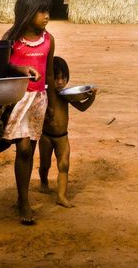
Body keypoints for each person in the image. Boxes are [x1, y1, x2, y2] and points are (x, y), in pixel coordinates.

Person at [1, 0, 57, 225]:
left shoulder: (48, 40)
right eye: (41, 11)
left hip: (38, 100)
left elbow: (51, 74)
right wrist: (18, 69)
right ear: (28, 12)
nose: (46, 16)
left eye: (48, 12)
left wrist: (52, 105)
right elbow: (0, 68)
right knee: (23, 148)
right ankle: (23, 200)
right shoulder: (11, 40)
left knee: (30, 149)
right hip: (17, 100)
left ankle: (22, 197)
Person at [38, 56, 97, 208]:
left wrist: (92, 97)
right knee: (44, 164)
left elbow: (82, 107)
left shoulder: (67, 96)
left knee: (64, 165)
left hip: (62, 137)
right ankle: (43, 182)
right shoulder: (45, 95)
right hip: (46, 136)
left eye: (63, 78)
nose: (60, 82)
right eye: (56, 78)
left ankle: (61, 196)